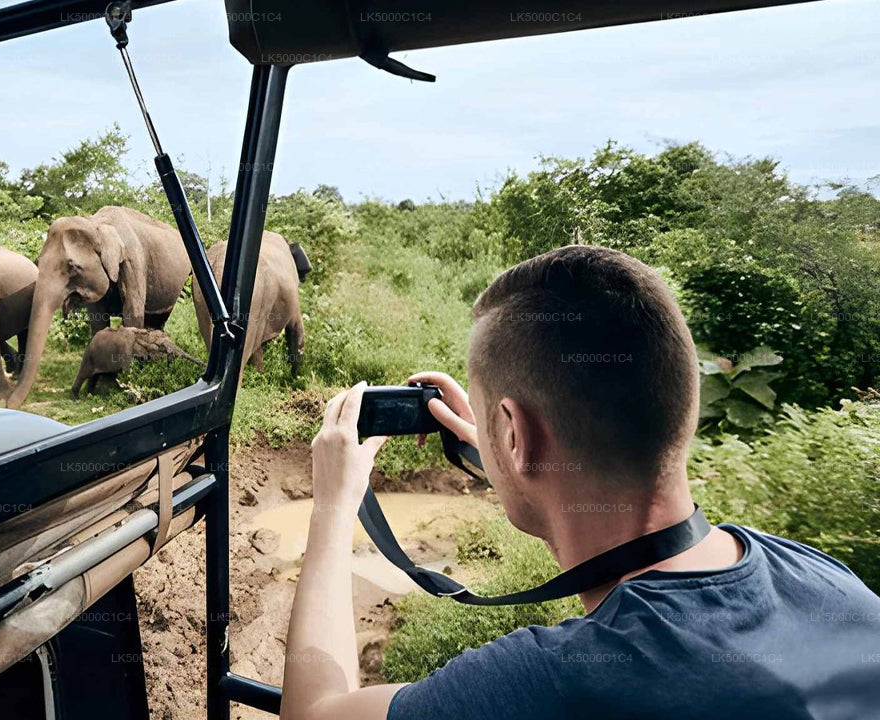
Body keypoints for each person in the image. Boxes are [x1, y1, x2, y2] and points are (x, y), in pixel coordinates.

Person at [279, 245, 880, 720]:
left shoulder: (556, 682)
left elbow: (313, 714)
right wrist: (513, 462)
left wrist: (335, 507)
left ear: (515, 434)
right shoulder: (824, 580)